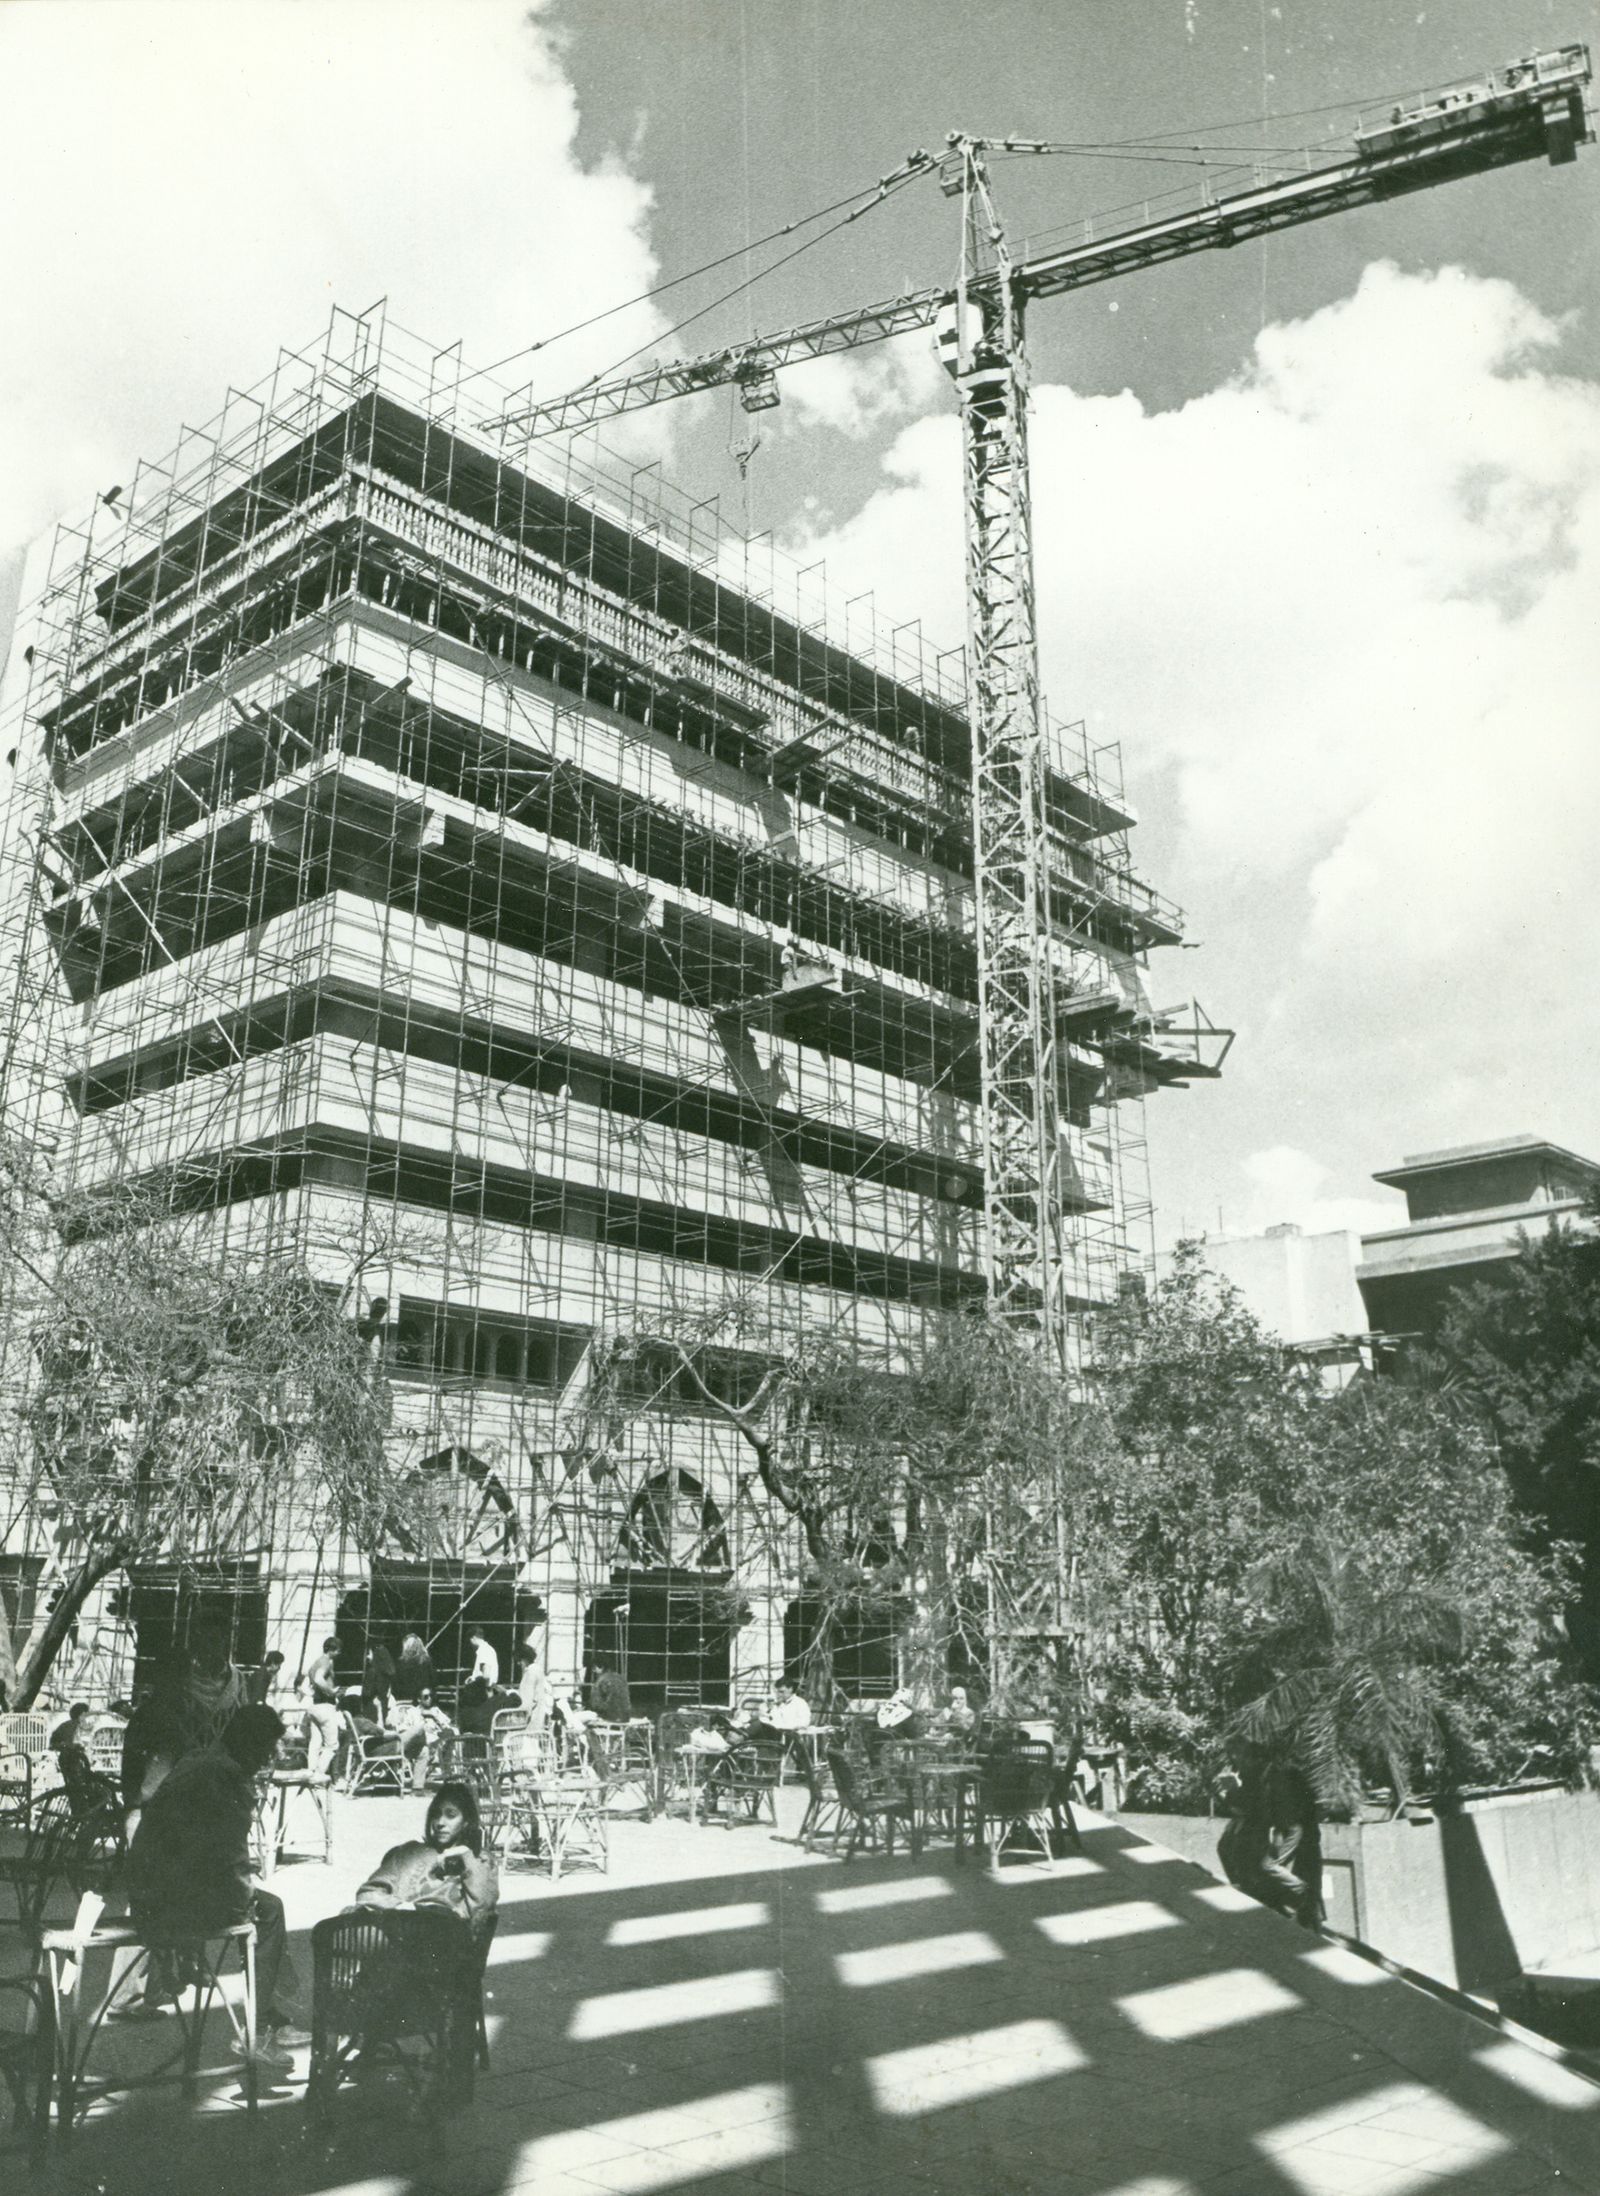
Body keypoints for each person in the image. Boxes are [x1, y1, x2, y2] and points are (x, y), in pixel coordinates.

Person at [126, 1704, 308, 2068]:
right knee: (268, 1911)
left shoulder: (202, 1761)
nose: (268, 1758)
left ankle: (271, 2016)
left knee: (261, 1904)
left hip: (149, 1890)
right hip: (170, 1899)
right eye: (266, 1749)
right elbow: (230, 1855)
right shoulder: (224, 1776)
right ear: (251, 1746)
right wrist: (244, 1901)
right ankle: (259, 2028)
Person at [353, 1782, 499, 1941]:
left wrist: (465, 1855)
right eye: (436, 1814)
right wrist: (400, 1907)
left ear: (466, 1822)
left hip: (444, 1943)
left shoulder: (480, 1861)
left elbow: (483, 1911)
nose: (440, 1823)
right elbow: (368, 1893)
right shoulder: (410, 1852)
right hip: (398, 1929)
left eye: (451, 1815)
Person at [393, 1689, 459, 1795]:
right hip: (420, 1743)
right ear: (419, 1699)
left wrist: (434, 1716)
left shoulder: (436, 1710)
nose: (429, 1699)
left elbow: (447, 1727)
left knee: (450, 1733)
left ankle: (437, 1753)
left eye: (431, 1696)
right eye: (426, 1697)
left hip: (437, 1741)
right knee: (436, 1743)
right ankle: (446, 1773)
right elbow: (404, 1730)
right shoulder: (412, 1712)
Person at [393, 1630, 435, 1705]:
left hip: (405, 1698)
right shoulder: (426, 1661)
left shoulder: (401, 1661)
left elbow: (396, 1682)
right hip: (422, 1698)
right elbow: (432, 1680)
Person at [361, 1639, 396, 1726]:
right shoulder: (387, 1673)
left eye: (369, 1653)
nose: (367, 1657)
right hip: (382, 1707)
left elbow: (366, 1693)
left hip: (370, 1709)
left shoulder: (372, 1671)